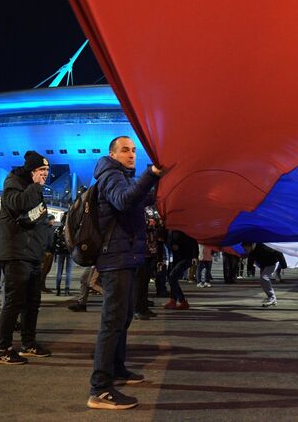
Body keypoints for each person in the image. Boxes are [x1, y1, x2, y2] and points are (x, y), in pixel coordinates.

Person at [87, 136, 162, 410]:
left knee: (123, 317)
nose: (131, 154)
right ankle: (100, 389)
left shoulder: (123, 177)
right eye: (125, 150)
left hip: (126, 256)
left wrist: (159, 180)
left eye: (133, 150)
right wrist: (151, 173)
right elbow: (124, 201)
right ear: (112, 153)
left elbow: (140, 198)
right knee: (112, 320)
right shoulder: (110, 175)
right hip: (115, 258)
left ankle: (117, 369)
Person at [0, 150, 53, 365]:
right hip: (16, 252)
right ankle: (3, 349)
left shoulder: (32, 187)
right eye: (41, 170)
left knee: (32, 302)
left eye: (47, 170)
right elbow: (18, 205)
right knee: (14, 302)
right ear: (31, 171)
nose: (45, 174)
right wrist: (35, 186)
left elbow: (34, 216)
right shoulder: (14, 182)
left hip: (32, 253)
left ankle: (28, 343)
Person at [164, 230, 198, 310]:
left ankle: (182, 300)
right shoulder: (170, 229)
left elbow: (193, 240)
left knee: (172, 276)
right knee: (171, 277)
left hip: (186, 257)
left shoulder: (183, 227)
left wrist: (195, 256)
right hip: (174, 257)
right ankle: (173, 300)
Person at [247, 243, 282, 307]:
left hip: (273, 262)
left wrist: (283, 264)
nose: (246, 250)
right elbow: (250, 260)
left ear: (251, 245)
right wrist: (249, 269)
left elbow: (278, 252)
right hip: (264, 264)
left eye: (246, 248)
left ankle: (272, 297)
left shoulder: (263, 247)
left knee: (264, 278)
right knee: (262, 280)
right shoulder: (251, 251)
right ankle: (272, 298)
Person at [53, 212, 73, 296]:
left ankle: (58, 289)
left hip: (59, 251)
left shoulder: (58, 229)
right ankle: (67, 289)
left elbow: (54, 241)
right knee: (68, 271)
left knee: (59, 270)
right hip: (69, 251)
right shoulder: (72, 229)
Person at [39, 215, 56, 293]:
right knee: (42, 270)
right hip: (45, 252)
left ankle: (42, 285)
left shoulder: (52, 229)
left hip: (51, 252)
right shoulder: (44, 229)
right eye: (52, 220)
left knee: (46, 270)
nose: (53, 221)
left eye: (53, 220)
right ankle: (40, 286)